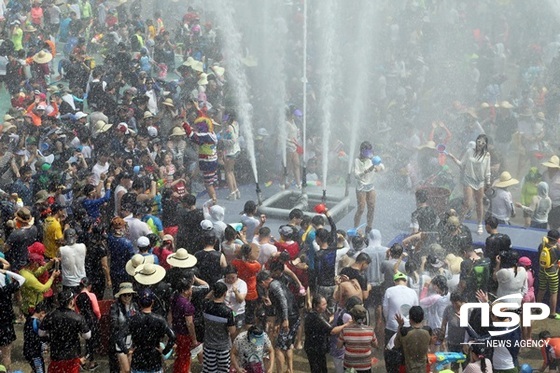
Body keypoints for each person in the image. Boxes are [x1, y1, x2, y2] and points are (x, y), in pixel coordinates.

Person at [257, 269, 300, 373]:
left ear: (263, 282)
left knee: (278, 348)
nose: (263, 288)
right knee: (288, 343)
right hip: (294, 315)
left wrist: (285, 320)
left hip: (289, 317)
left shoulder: (273, 286)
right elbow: (281, 302)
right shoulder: (277, 283)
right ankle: (290, 369)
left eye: (261, 285)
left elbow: (283, 302)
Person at [39, 290, 91, 373]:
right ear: (71, 302)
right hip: (72, 355)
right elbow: (87, 335)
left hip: (56, 354)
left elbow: (41, 333)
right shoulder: (77, 317)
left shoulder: (51, 315)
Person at [449, 134, 491, 235]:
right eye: (479, 141)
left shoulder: (487, 155)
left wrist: (488, 182)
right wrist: (452, 157)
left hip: (479, 181)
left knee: (479, 202)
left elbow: (487, 169)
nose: (480, 143)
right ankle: (459, 223)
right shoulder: (469, 151)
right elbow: (461, 164)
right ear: (476, 141)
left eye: (483, 142)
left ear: (485, 144)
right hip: (468, 179)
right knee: (467, 203)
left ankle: (480, 224)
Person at [129, 288, 176, 373]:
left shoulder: (133, 319)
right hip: (154, 360)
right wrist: (165, 351)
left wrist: (127, 350)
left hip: (138, 360)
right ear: (153, 302)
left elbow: (119, 336)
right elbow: (172, 337)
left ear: (139, 303)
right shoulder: (159, 320)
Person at [383, 272, 419, 373]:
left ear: (395, 282)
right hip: (408, 329)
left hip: (392, 327)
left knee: (390, 354)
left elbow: (385, 309)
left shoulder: (389, 291)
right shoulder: (413, 292)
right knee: (406, 355)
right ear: (405, 281)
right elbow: (416, 311)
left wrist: (388, 321)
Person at [305, 294, 350, 373]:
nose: (326, 306)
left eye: (326, 303)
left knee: (323, 368)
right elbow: (332, 331)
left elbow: (328, 320)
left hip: (317, 348)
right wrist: (347, 324)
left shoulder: (316, 313)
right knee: (317, 370)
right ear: (316, 306)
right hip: (314, 348)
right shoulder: (316, 316)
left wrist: (336, 315)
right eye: (323, 304)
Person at [202, 282, 236, 373]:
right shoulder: (227, 311)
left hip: (208, 346)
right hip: (223, 347)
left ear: (213, 292)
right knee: (223, 371)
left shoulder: (206, 305)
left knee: (210, 370)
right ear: (225, 294)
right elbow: (232, 331)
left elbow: (206, 298)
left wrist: (213, 290)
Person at [337, 304, 379, 373]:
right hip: (365, 366)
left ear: (352, 317)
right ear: (364, 318)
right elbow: (375, 345)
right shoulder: (370, 330)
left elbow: (339, 346)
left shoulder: (345, 330)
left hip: (350, 366)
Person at [353, 141, 384, 233]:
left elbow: (382, 165)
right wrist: (366, 171)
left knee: (371, 206)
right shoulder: (357, 161)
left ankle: (369, 227)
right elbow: (356, 175)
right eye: (366, 151)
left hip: (371, 185)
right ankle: (355, 228)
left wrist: (380, 168)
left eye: (370, 151)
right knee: (361, 208)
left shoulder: (372, 157)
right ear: (362, 151)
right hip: (361, 186)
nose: (368, 153)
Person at [0, 266, 26, 372]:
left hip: (4, 324)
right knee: (6, 355)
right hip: (5, 325)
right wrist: (6, 271)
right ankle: (7, 370)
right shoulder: (5, 290)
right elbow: (22, 279)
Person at [110, 282, 139, 373]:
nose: (127, 297)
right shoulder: (115, 307)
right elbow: (114, 325)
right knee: (125, 369)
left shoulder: (134, 306)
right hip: (120, 341)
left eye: (129, 295)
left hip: (131, 341)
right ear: (120, 296)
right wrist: (127, 325)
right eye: (124, 295)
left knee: (130, 369)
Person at [170, 278, 198, 373]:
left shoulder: (175, 297)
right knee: (184, 358)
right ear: (184, 291)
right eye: (190, 289)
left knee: (179, 357)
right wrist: (194, 339)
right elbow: (190, 324)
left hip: (176, 331)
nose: (191, 291)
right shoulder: (186, 305)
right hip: (184, 335)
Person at [394, 305, 432, 373]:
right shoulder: (428, 331)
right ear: (422, 317)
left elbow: (396, 344)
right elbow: (430, 343)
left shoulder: (404, 332)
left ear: (410, 318)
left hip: (408, 368)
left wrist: (400, 325)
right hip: (423, 369)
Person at [74, 277, 101, 370]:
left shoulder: (76, 297)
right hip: (92, 319)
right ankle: (88, 361)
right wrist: (98, 317)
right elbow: (96, 310)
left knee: (87, 340)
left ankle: (87, 360)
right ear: (89, 286)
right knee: (92, 342)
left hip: (83, 321)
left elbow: (77, 311)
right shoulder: (92, 295)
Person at [218, 265, 247, 337]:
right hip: (224, 312)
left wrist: (236, 292)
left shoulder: (242, 284)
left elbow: (240, 300)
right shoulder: (220, 282)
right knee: (224, 332)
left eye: (233, 278)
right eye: (228, 278)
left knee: (236, 334)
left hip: (238, 312)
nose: (230, 280)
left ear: (237, 275)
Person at [537, 230, 560, 319]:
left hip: (542, 271)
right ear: (557, 239)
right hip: (553, 273)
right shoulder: (556, 249)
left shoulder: (541, 246)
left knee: (541, 290)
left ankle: (537, 309)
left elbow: (539, 256)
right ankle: (552, 313)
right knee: (553, 293)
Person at [23, 301, 50, 373]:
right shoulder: (37, 322)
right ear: (42, 313)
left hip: (28, 350)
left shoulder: (28, 320)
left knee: (35, 368)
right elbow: (43, 336)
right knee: (40, 370)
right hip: (34, 353)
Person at [59, 228, 87, 293]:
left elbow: (58, 261)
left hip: (68, 282)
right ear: (76, 237)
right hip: (82, 281)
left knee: (69, 302)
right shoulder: (83, 246)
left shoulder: (61, 250)